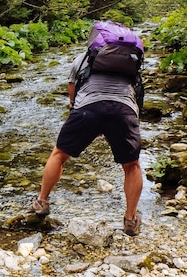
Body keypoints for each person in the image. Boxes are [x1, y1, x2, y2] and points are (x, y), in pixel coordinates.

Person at [26, 24, 144, 236]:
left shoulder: (84, 59)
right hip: (123, 111)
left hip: (87, 110)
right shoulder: (132, 61)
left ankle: (41, 201)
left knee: (60, 154)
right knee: (132, 166)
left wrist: (76, 109)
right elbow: (137, 90)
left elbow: (73, 86)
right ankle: (130, 219)